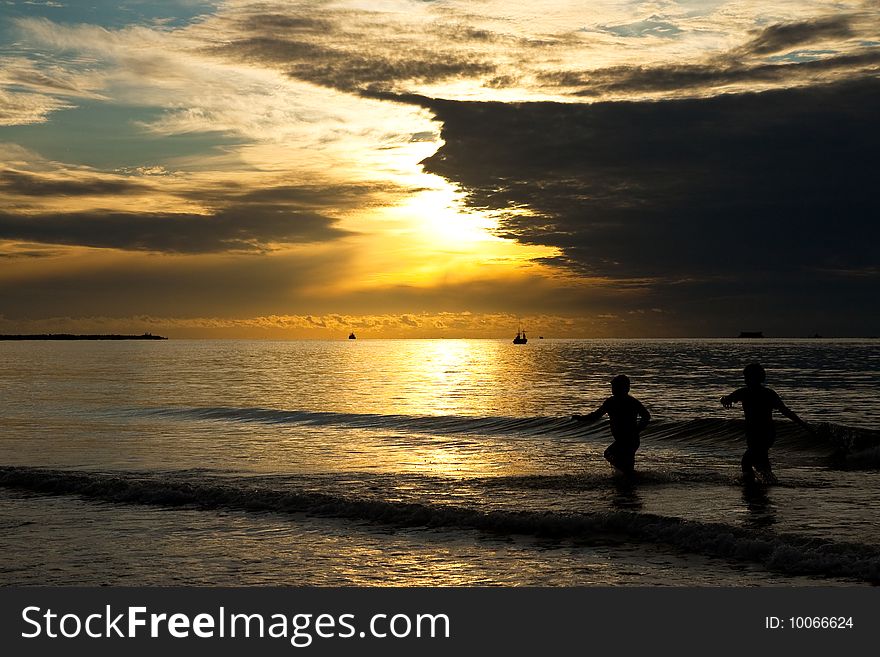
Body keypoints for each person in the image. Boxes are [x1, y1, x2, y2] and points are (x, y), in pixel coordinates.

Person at [720, 362, 811, 484]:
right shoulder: (743, 392)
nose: (745, 380)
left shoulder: (768, 394)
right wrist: (724, 400)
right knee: (761, 464)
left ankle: (750, 486)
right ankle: (766, 488)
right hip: (752, 434)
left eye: (747, 377)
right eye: (745, 377)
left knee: (746, 461)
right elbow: (726, 399)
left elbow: (786, 412)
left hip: (765, 434)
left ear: (757, 378)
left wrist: (803, 425)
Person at [573, 374, 651, 474]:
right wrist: (581, 418)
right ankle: (628, 476)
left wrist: (637, 429)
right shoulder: (611, 402)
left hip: (630, 439)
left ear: (625, 388)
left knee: (612, 455)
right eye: (612, 387)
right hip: (624, 440)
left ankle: (629, 476)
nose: (613, 389)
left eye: (615, 387)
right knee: (615, 458)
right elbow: (596, 415)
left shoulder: (631, 402)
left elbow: (646, 416)